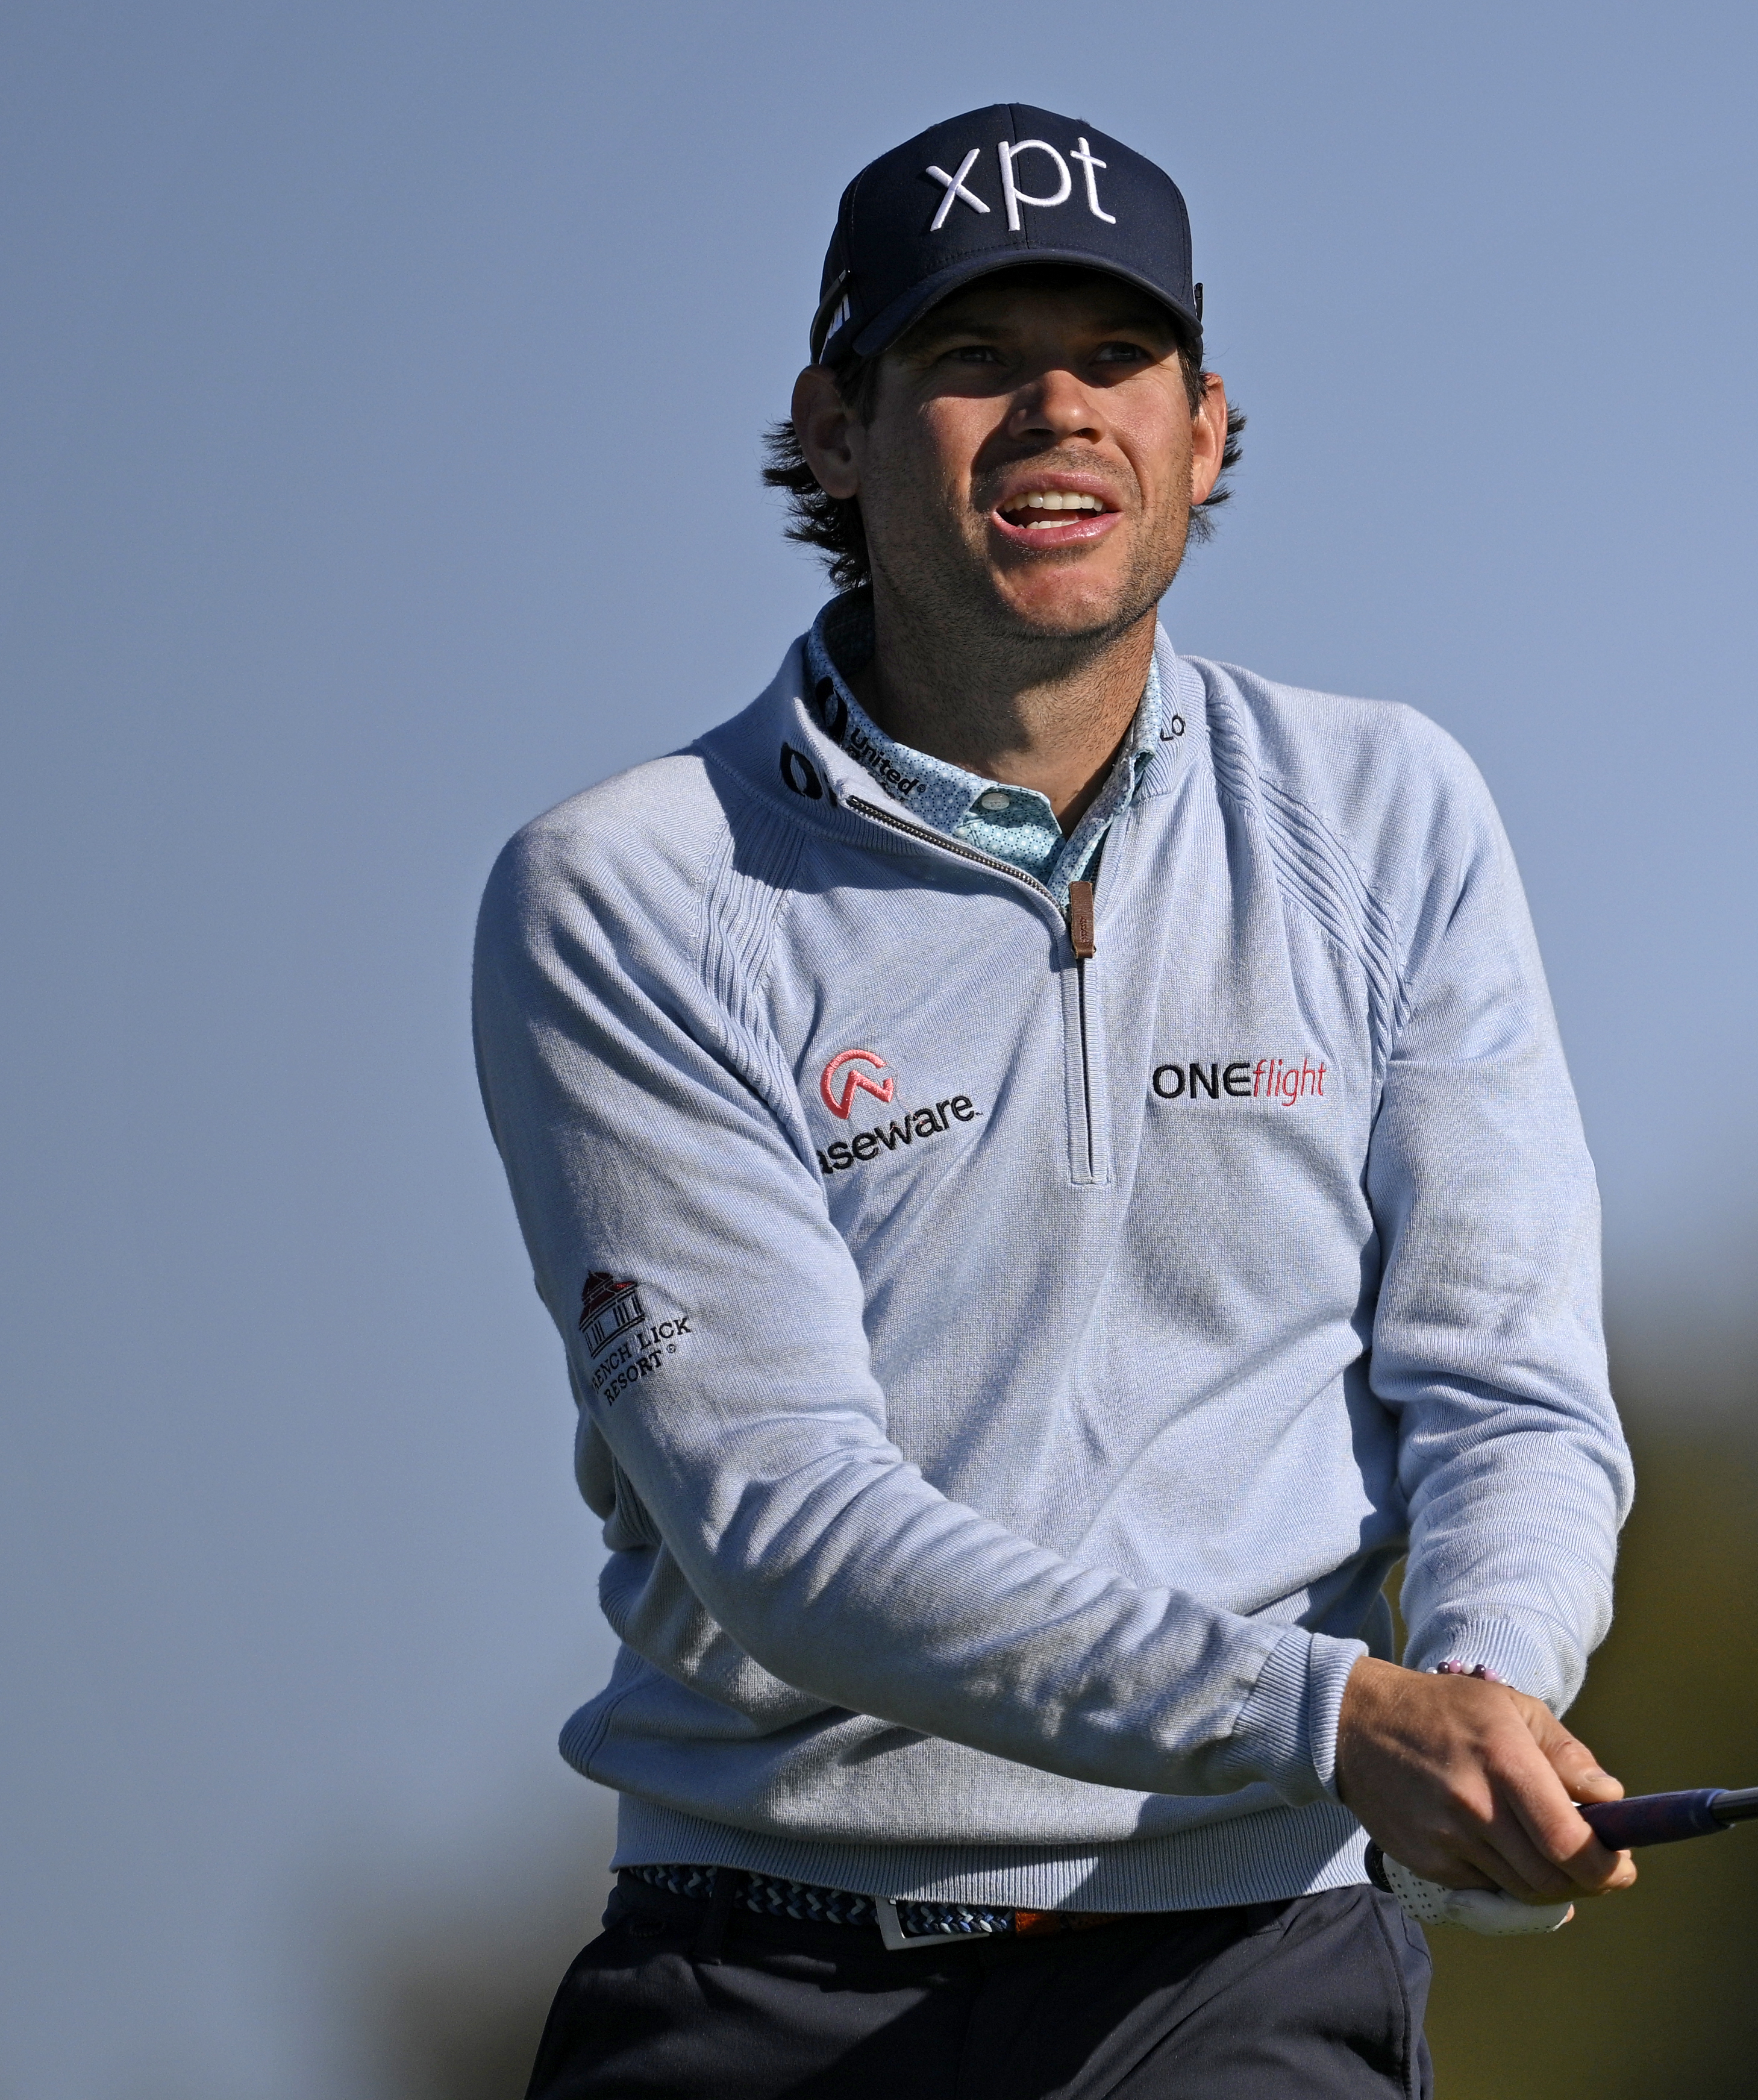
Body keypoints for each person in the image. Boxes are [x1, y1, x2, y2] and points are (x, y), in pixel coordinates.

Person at [472, 102, 1634, 2098]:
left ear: (1204, 429)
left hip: (1243, 1969)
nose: (1054, 415)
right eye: (972, 360)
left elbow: (1506, 1390)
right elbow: (785, 1523)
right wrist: (1333, 1719)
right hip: (764, 1977)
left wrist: (1486, 1701)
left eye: (1113, 359)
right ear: (833, 432)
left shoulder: (1385, 808)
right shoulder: (633, 887)